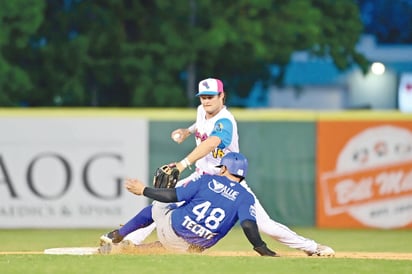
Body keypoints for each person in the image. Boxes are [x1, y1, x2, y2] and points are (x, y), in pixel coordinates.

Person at [101, 77, 335, 256]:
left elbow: (213, 141)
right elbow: (201, 125)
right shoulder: (202, 111)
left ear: (222, 96)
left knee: (267, 226)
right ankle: (129, 242)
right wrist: (187, 131)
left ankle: (313, 247)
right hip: (203, 178)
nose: (206, 100)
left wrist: (183, 163)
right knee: (159, 203)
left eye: (211, 96)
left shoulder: (226, 121)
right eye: (203, 97)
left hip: (227, 180)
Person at [100, 152, 278, 256]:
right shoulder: (246, 197)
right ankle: (132, 250)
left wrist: (143, 190)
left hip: (172, 230)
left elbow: (172, 195)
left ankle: (117, 235)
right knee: (171, 245)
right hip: (193, 248)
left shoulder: (207, 180)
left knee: (157, 207)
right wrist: (261, 248)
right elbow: (248, 224)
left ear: (224, 168)